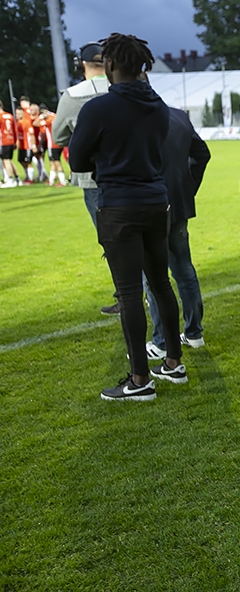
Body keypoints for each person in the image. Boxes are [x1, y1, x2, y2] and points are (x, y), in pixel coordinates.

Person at [68, 33, 186, 401]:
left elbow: (76, 160)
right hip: (156, 201)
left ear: (111, 65)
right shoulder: (159, 105)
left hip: (119, 205)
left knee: (132, 293)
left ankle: (139, 380)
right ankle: (173, 362)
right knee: (161, 283)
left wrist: (105, 162)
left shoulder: (99, 108)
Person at [53, 41, 117, 314]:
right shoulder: (124, 89)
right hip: (133, 173)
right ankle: (145, 290)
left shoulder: (73, 95)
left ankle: (127, 293)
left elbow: (58, 137)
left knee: (110, 239)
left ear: (82, 65)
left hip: (93, 179)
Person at [144, 100, 211, 358]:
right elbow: (202, 154)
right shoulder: (178, 116)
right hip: (179, 203)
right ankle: (194, 333)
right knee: (184, 269)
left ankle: (161, 341)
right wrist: (188, 186)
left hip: (151, 204)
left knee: (152, 275)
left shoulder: (139, 117)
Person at [0, 100, 19, 187]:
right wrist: (15, 141)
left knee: (6, 160)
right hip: (11, 140)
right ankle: (17, 178)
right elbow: (14, 129)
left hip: (3, 141)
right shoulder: (9, 115)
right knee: (9, 160)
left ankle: (10, 180)